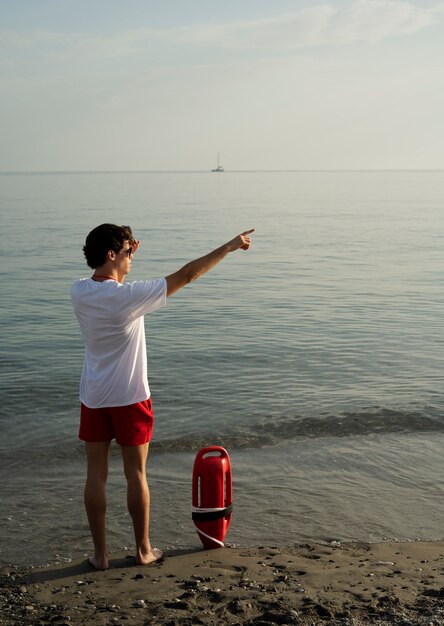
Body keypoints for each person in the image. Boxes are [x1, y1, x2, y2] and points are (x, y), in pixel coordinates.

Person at [71, 223, 254, 570]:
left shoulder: (78, 291)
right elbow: (187, 275)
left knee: (95, 476)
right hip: (130, 397)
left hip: (94, 397)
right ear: (112, 255)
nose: (132, 259)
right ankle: (143, 551)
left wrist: (122, 259)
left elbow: (108, 283)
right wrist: (228, 246)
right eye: (127, 253)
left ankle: (100, 556)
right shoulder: (127, 298)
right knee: (135, 475)